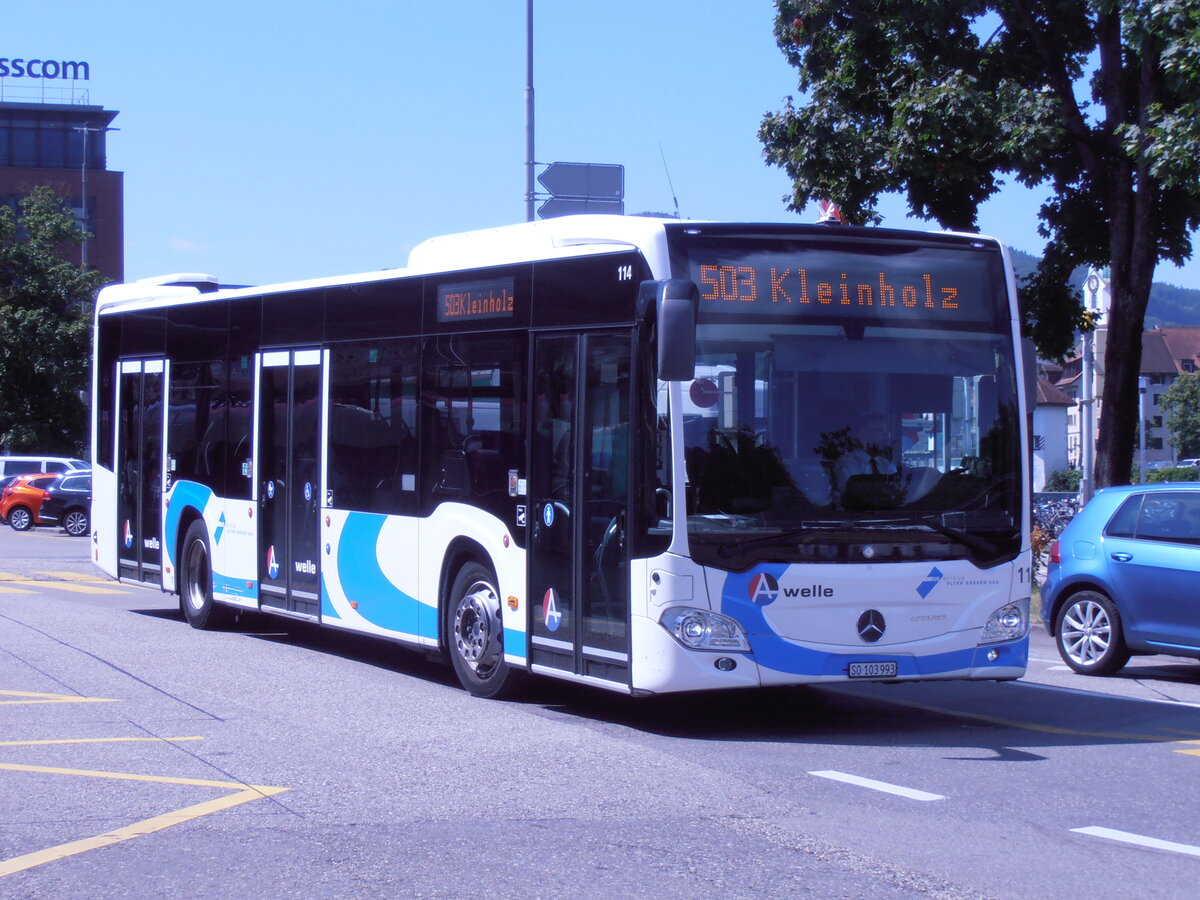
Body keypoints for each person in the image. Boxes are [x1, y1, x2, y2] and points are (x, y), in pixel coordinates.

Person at [836, 412, 900, 488]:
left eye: (886, 432)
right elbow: (853, 492)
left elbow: (896, 488)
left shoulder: (885, 462)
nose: (885, 435)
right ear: (864, 434)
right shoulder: (848, 462)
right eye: (880, 430)